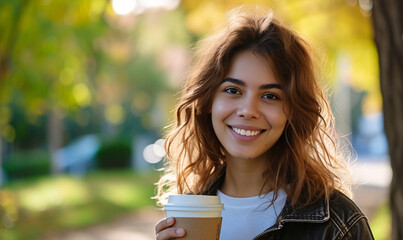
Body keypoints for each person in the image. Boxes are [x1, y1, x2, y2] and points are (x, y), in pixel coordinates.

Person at [155, 6, 374, 240]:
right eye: (232, 90)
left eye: (270, 96)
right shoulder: (188, 212)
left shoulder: (338, 224)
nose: (248, 111)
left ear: (293, 111)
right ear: (208, 101)